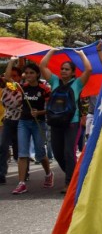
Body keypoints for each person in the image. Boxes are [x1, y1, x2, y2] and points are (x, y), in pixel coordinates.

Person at [40, 48, 93, 193]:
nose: (63, 71)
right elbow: (42, 66)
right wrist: (51, 51)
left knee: (69, 152)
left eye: (67, 69)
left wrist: (81, 54)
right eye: (62, 69)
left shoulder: (77, 84)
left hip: (72, 123)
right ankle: (76, 174)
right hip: (56, 123)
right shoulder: (54, 81)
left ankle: (69, 183)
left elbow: (88, 69)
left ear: (73, 72)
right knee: (57, 153)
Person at [7, 62, 54, 194]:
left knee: (40, 153)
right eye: (26, 73)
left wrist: (39, 113)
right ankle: (21, 183)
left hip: (38, 123)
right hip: (23, 122)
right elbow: (7, 78)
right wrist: (11, 60)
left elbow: (51, 108)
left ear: (37, 74)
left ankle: (48, 174)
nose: (28, 75)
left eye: (31, 73)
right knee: (22, 153)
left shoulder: (44, 89)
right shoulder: (22, 87)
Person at [0, 61, 23, 184]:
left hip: (21, 122)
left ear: (19, 77)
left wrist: (12, 61)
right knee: (3, 147)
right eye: (11, 76)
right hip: (8, 121)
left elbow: (8, 77)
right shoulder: (8, 88)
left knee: (19, 149)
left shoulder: (21, 88)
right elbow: (6, 77)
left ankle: (24, 173)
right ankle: (1, 173)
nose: (12, 78)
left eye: (16, 76)